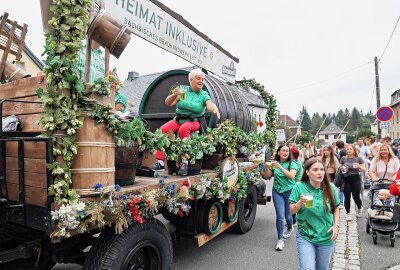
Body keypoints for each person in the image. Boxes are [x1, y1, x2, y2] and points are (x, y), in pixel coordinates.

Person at [152, 68, 220, 175]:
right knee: (163, 130)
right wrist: (174, 94)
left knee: (184, 128)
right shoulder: (184, 90)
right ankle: (160, 161)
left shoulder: (203, 94)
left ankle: (184, 161)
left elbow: (209, 104)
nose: (201, 81)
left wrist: (214, 108)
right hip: (179, 119)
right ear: (191, 80)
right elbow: (169, 103)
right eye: (198, 78)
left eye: (203, 79)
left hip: (195, 121)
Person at [289, 158, 340, 270]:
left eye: (322, 169)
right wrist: (299, 203)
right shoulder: (299, 187)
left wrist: (336, 225)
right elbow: (291, 210)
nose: (320, 172)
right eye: (315, 169)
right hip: (305, 236)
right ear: (307, 172)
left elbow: (336, 207)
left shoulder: (330, 187)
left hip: (326, 237)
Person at [263, 144, 297, 251]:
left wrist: (280, 167)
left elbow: (292, 176)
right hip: (277, 191)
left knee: (288, 216)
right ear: (278, 152)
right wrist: (268, 166)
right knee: (280, 216)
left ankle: (290, 227)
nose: (285, 152)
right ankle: (280, 240)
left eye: (287, 151)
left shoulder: (292, 163)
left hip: (289, 192)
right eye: (283, 150)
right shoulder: (275, 163)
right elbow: (267, 176)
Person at [340, 144, 365, 221]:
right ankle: (348, 214)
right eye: (347, 149)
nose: (349, 150)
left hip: (356, 178)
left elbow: (364, 169)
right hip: (346, 179)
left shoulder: (359, 158)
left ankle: (360, 208)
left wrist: (359, 166)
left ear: (354, 150)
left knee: (356, 196)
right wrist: (343, 168)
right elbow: (340, 168)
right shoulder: (343, 158)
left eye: (351, 149)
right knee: (347, 196)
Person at [291, 147, 303, 226]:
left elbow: (293, 175)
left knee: (293, 202)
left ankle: (294, 221)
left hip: (296, 183)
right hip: (297, 183)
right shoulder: (296, 161)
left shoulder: (296, 163)